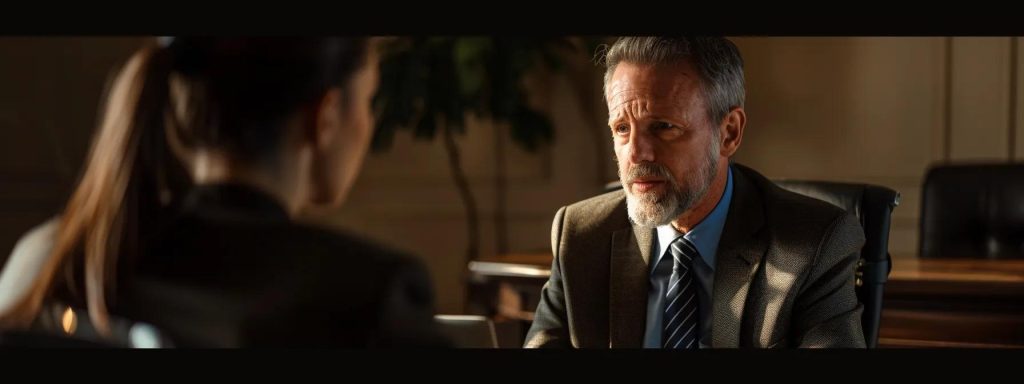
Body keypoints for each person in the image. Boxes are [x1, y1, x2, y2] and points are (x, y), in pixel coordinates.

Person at [0, 37, 447, 347]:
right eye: (369, 100)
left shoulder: (52, 262)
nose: (368, 123)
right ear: (325, 117)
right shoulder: (368, 296)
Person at [525, 37, 866, 348]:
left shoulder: (814, 246)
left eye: (663, 127)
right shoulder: (582, 235)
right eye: (622, 129)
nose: (636, 153)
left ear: (729, 133)